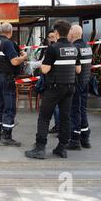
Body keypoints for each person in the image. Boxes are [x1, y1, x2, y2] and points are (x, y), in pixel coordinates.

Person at [25, 20, 81, 159]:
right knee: (65, 117)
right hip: (70, 87)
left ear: (56, 33)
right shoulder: (74, 49)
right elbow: (78, 70)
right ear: (68, 32)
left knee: (44, 117)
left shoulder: (53, 48)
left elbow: (44, 69)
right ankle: (61, 148)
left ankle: (40, 148)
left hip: (54, 88)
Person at [0, 23, 28, 146]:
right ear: (10, 32)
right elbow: (15, 62)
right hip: (6, 77)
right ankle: (7, 137)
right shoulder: (8, 43)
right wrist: (24, 57)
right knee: (9, 107)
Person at [66, 25, 93, 150]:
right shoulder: (87, 47)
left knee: (74, 111)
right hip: (85, 82)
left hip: (77, 83)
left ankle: (75, 140)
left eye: (69, 33)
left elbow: (75, 69)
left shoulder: (75, 48)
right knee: (82, 109)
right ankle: (85, 138)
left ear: (72, 34)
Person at [34, 30, 61, 133]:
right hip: (59, 81)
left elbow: (44, 68)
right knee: (58, 107)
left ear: (57, 36)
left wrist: (39, 66)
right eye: (49, 37)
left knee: (55, 107)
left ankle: (58, 126)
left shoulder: (52, 49)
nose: (51, 39)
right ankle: (59, 126)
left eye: (53, 36)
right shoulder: (56, 48)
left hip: (53, 81)